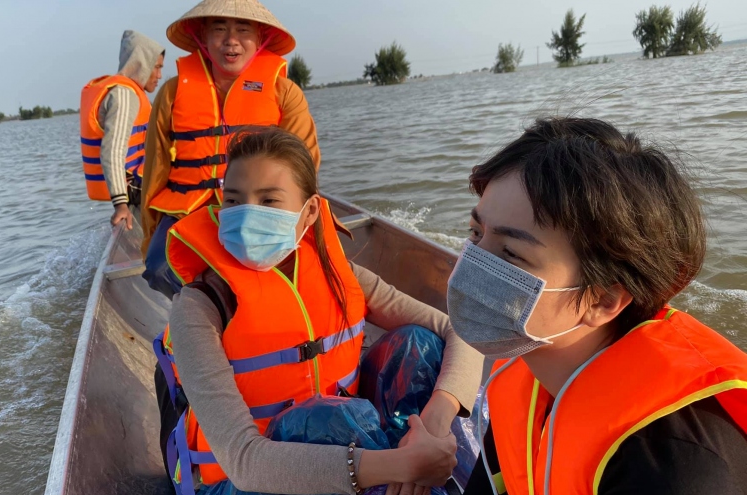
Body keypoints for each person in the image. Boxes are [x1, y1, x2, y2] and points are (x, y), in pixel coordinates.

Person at [156, 127, 484, 495]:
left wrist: (437, 418)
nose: (247, 216)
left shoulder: (338, 275)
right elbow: (245, 462)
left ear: (310, 211)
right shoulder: (200, 306)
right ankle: (415, 478)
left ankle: (427, 474)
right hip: (244, 481)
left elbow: (460, 332)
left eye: (268, 200)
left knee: (418, 345)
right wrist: (396, 465)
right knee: (333, 421)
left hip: (354, 449)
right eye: (233, 200)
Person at [446, 117, 747, 494]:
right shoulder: (527, 368)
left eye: (511, 253)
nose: (472, 263)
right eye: (475, 233)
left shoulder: (673, 469)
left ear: (604, 299)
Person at [139, 0, 321, 297]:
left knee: (295, 267)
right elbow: (155, 169)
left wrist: (295, 222)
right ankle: (203, 310)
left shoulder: (284, 92)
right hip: (189, 209)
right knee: (158, 266)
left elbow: (304, 165)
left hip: (259, 207)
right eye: (219, 29)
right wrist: (150, 233)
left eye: (243, 30)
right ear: (202, 36)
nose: (231, 41)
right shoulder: (172, 92)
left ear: (261, 37)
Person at [80, 30, 165, 230]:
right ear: (141, 64)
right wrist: (121, 205)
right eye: (157, 67)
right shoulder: (125, 96)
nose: (160, 75)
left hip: (135, 185)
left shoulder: (127, 92)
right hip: (133, 188)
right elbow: (112, 151)